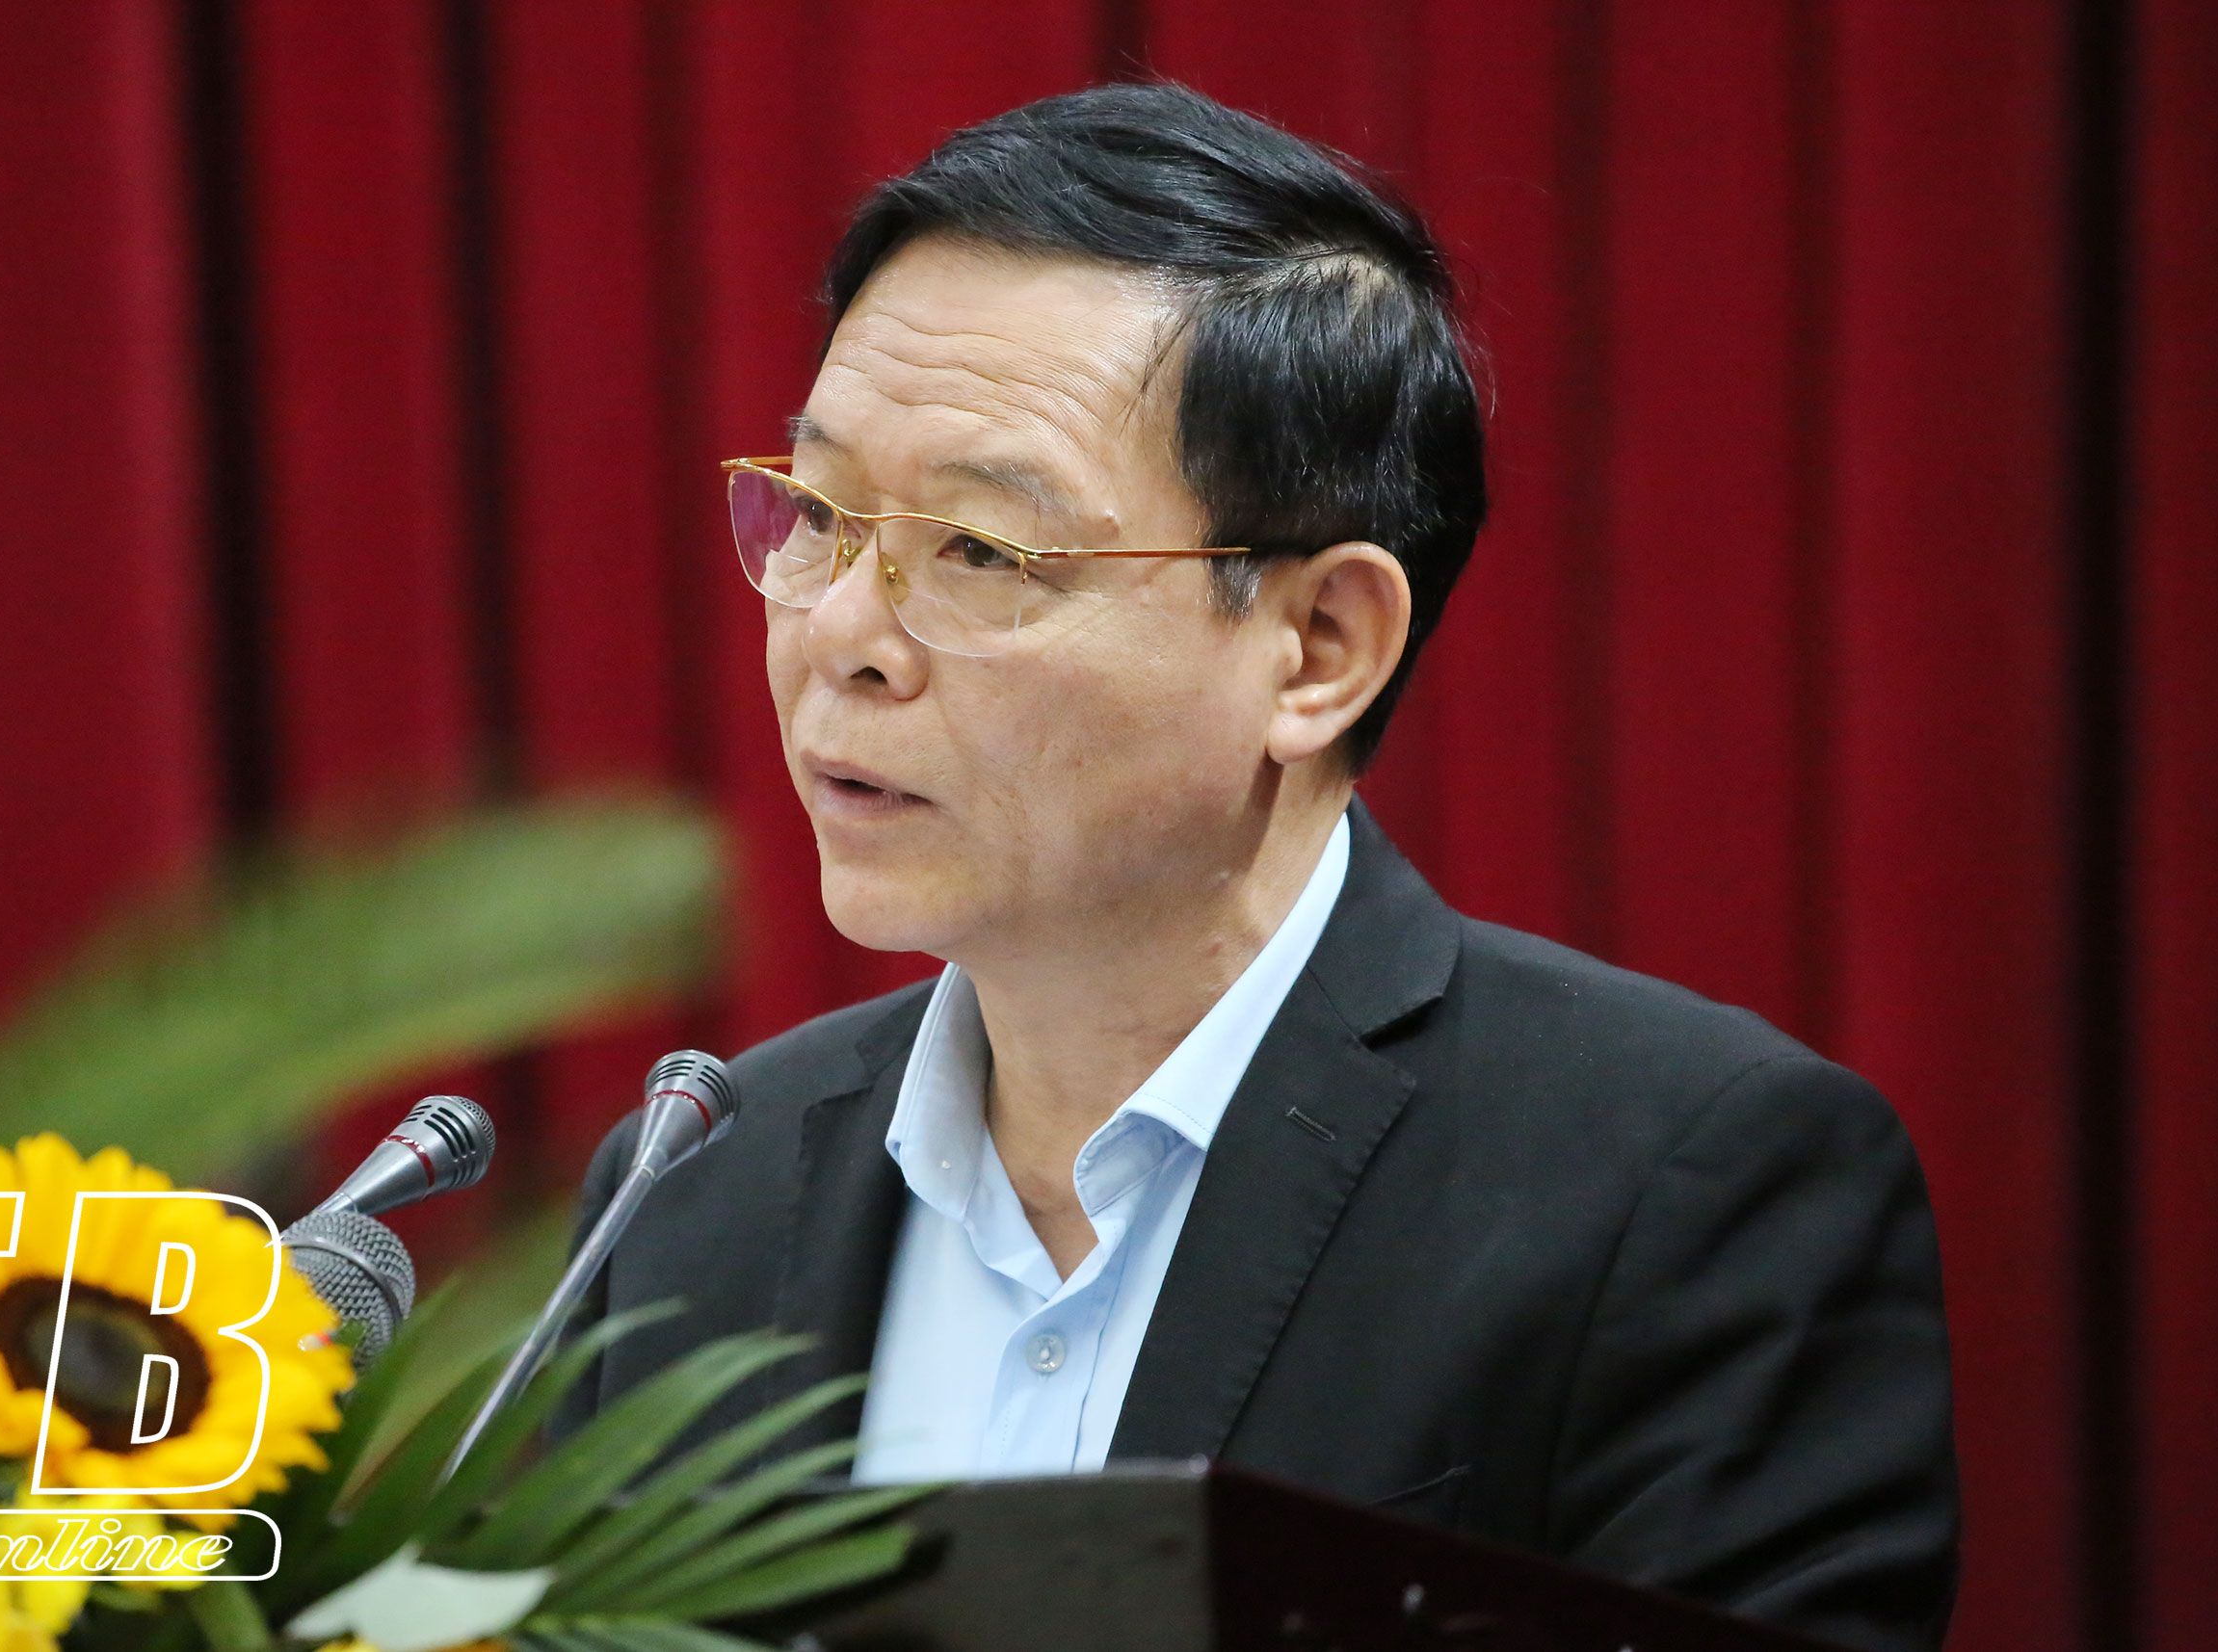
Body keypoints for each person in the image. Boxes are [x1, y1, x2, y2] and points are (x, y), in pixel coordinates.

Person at [560, 82, 1956, 1652]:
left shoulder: (1681, 1196)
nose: (839, 634)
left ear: (1319, 647)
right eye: (818, 513)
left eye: (982, 551)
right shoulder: (694, 1195)